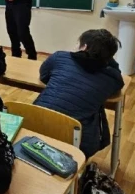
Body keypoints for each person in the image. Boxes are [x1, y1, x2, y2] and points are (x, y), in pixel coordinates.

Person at [34, 29, 124, 158]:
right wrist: (108, 58)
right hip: (76, 140)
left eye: (78, 43)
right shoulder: (112, 78)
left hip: (35, 124)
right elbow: (117, 82)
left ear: (84, 46)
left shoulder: (60, 56)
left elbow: (44, 76)